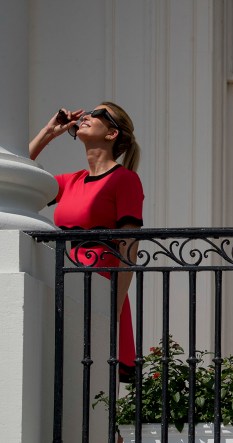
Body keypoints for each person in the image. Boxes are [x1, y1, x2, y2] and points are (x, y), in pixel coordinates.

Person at [30, 102, 144, 383]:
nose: (88, 116)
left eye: (99, 114)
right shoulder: (72, 181)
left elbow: (129, 249)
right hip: (65, 281)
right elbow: (19, 181)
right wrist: (48, 133)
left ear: (112, 134)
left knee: (92, 377)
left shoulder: (125, 180)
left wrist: (113, 310)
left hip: (101, 286)